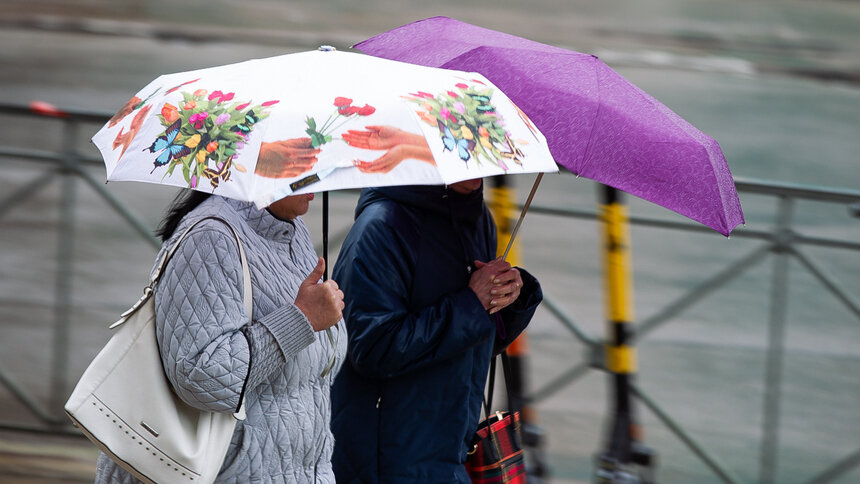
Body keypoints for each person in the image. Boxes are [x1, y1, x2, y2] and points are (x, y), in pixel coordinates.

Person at [95, 189, 347, 483]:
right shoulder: (209, 237)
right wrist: (300, 319)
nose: (314, 187)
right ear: (267, 165)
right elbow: (200, 374)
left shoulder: (291, 230)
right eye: (302, 170)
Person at [330, 178, 543, 483]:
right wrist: (472, 302)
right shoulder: (381, 226)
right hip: (389, 459)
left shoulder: (480, 220)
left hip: (453, 450)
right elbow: (372, 348)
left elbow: (469, 348)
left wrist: (508, 300)